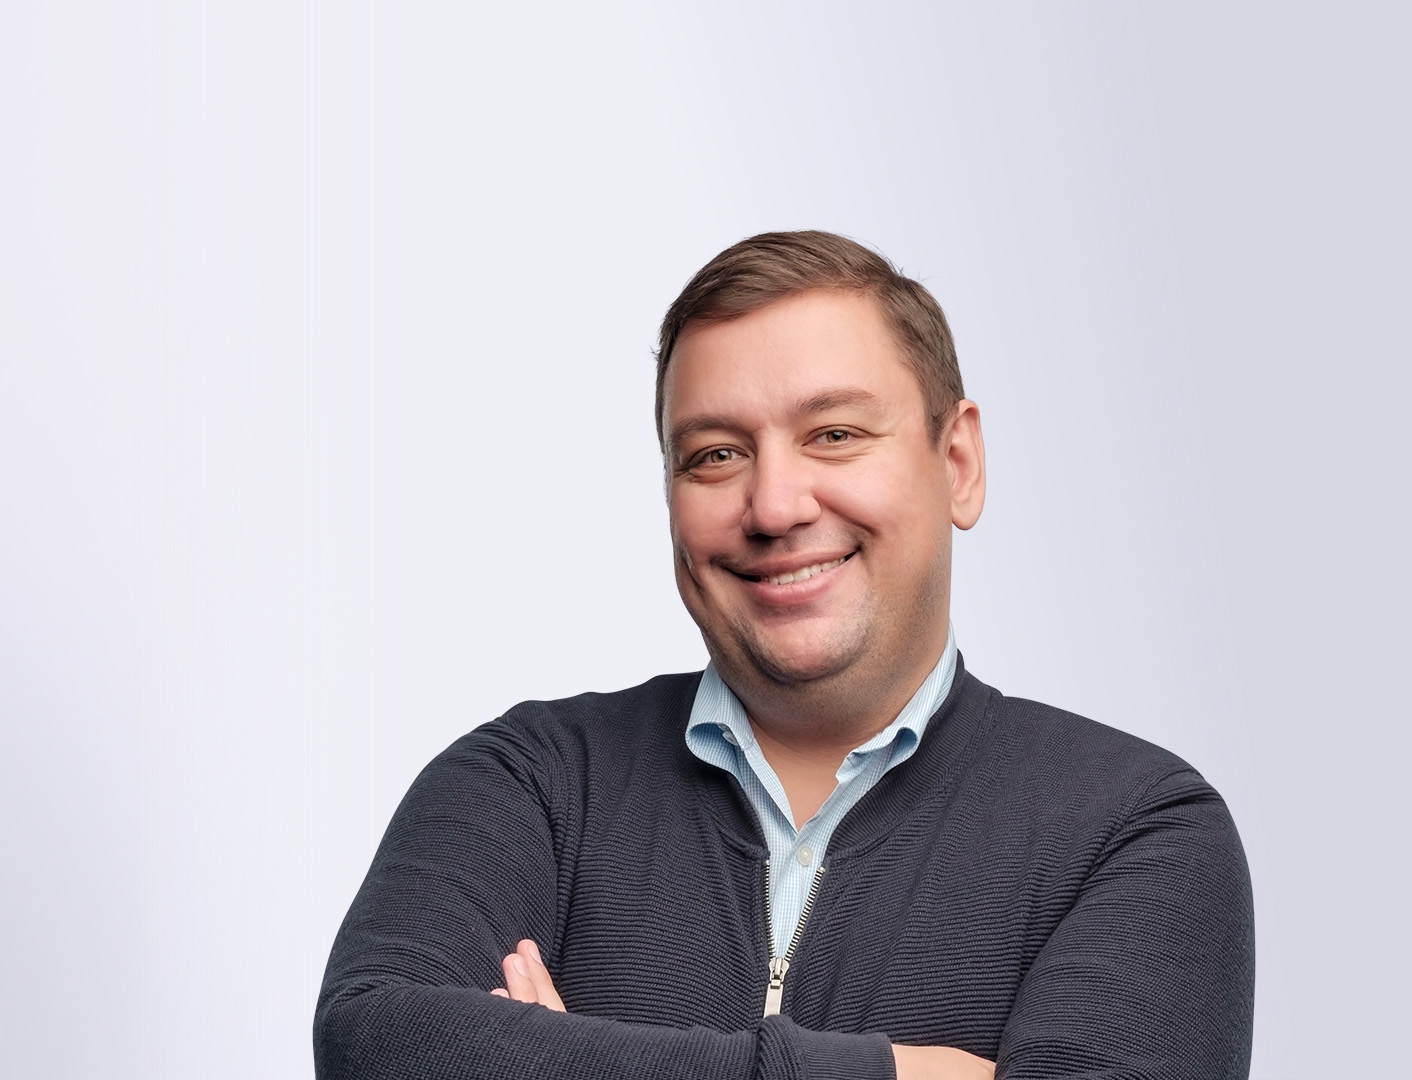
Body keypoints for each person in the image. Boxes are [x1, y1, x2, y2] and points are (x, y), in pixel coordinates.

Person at [315, 231, 1254, 1080]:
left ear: (958, 461)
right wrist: (892, 1075)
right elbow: (376, 1042)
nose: (773, 506)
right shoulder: (533, 781)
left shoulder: (1137, 830)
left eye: (834, 435)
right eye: (715, 455)